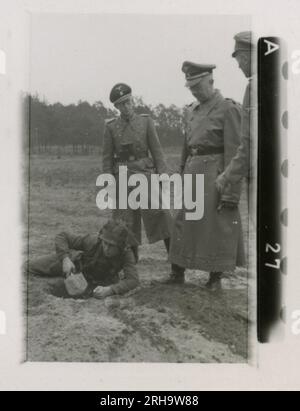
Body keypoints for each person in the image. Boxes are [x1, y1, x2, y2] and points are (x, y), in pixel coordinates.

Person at [163, 62, 245, 289]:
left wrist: (231, 193)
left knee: (217, 224)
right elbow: (186, 145)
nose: (194, 91)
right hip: (192, 172)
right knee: (183, 222)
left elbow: (235, 151)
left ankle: (215, 278)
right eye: (190, 87)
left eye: (198, 86)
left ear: (211, 81)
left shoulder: (229, 109)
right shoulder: (190, 110)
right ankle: (177, 272)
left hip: (215, 174)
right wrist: (181, 170)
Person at [102, 83, 172, 258]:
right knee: (125, 221)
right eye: (121, 104)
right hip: (123, 178)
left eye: (128, 102)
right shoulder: (111, 127)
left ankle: (176, 265)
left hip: (145, 176)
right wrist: (109, 183)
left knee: (161, 216)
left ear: (132, 101)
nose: (126, 107)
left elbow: (157, 152)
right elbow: (107, 158)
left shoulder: (145, 122)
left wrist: (163, 176)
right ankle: (131, 263)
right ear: (116, 107)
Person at [28, 219, 140, 298]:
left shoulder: (126, 254)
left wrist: (110, 290)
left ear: (121, 247)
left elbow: (133, 280)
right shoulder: (93, 241)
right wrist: (65, 259)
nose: (106, 248)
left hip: (100, 281)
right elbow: (63, 236)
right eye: (105, 243)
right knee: (28, 267)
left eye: (112, 246)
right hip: (75, 266)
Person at [215, 31, 256, 192]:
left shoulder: (254, 88)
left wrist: (226, 177)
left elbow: (249, 143)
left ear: (246, 57)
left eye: (240, 60)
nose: (239, 66)